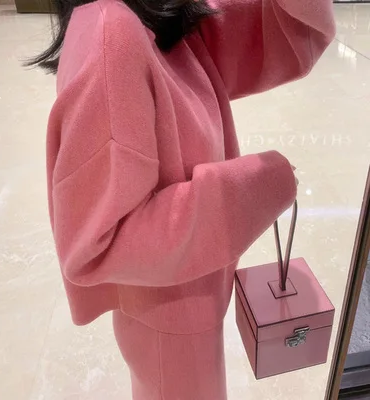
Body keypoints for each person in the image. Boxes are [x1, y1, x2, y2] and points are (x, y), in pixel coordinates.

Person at [30, 0, 335, 398]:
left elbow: (289, 30)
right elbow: (104, 241)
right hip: (173, 320)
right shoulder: (112, 33)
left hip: (181, 302)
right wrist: (259, 185)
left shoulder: (148, 16)